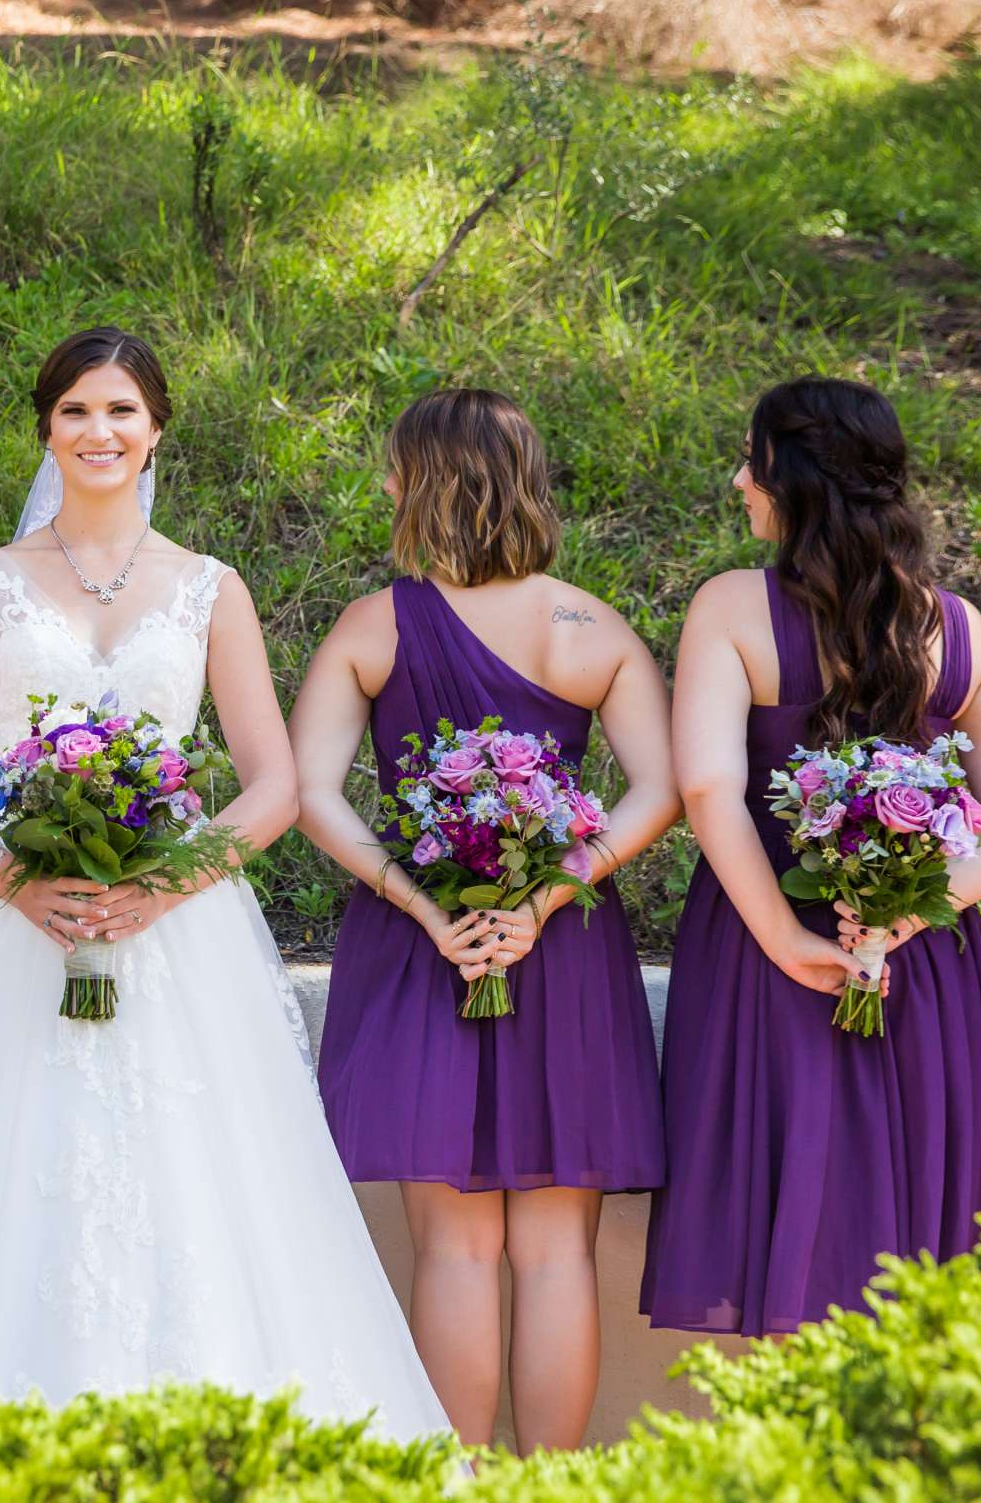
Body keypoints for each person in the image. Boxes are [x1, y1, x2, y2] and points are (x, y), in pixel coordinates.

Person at [0, 327, 449, 1442]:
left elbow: (270, 784)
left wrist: (168, 884)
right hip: (6, 929)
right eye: (74, 411)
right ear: (45, 431)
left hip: (174, 935)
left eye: (120, 410)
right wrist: (16, 883)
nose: (98, 431)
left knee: (199, 1203)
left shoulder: (212, 588)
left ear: (156, 427)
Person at [288, 387, 677, 1449]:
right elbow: (661, 788)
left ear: (421, 485)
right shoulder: (591, 625)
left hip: (426, 951)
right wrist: (550, 896)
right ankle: (550, 1482)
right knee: (556, 1251)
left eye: (393, 470)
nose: (383, 486)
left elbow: (309, 790)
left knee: (454, 1249)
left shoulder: (376, 622)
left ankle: (456, 1483)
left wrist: (424, 906)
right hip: (565, 952)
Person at [640, 375, 981, 1337]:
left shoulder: (731, 606)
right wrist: (906, 920)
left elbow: (707, 787)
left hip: (762, 953)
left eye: (751, 459)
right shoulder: (953, 623)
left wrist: (786, 936)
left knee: (783, 1218)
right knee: (913, 1230)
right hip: (922, 961)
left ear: (794, 477)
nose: (739, 479)